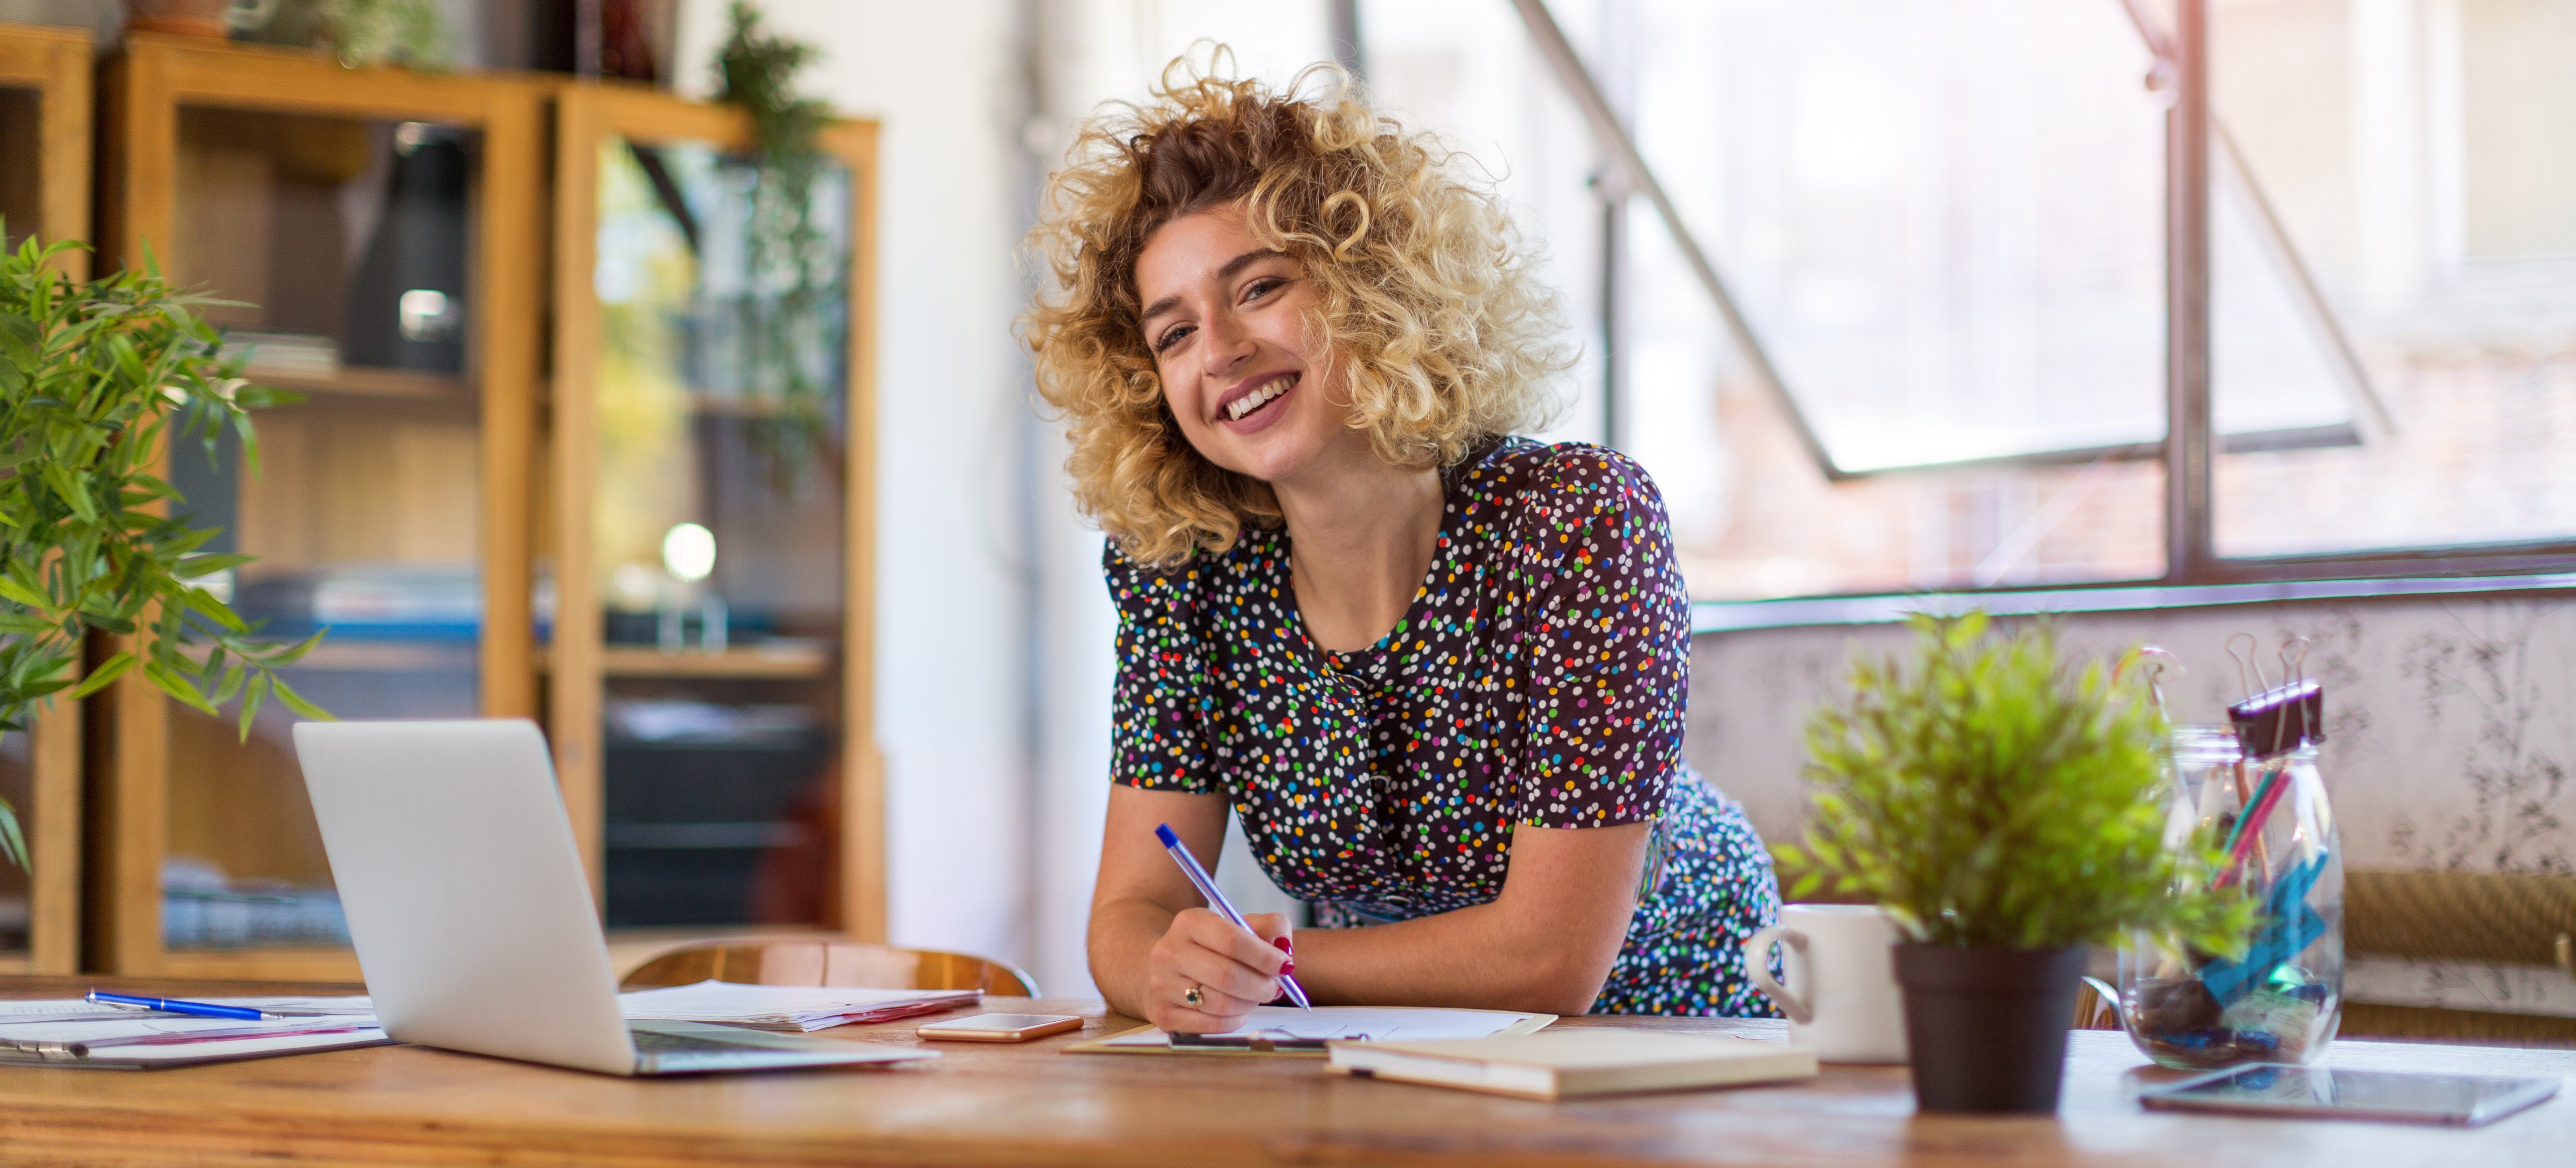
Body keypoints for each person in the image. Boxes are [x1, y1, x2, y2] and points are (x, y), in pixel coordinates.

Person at [1023, 57, 1779, 1034]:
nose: (1218, 350)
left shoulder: (1577, 522)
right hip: (1392, 1041)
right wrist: (1166, 970)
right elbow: (1129, 916)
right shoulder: (1184, 573)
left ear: (1369, 287)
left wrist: (1265, 967)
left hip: (1675, 1041)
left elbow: (1549, 962)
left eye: (1257, 287)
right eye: (1172, 335)